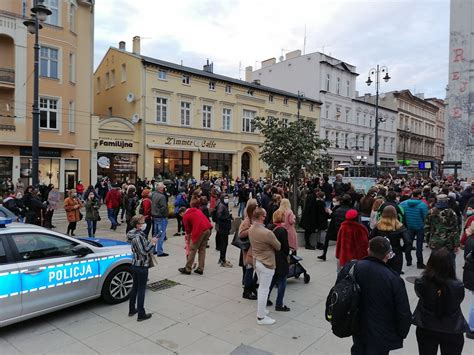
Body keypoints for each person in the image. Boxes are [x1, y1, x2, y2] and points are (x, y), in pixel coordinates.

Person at [338, 236, 412, 355]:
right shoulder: (393, 278)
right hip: (381, 331)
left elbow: (340, 291)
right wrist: (401, 333)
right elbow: (403, 311)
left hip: (357, 325)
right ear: (387, 255)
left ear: (368, 250)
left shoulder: (352, 267)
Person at [413, 247, 468, 354]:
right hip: (452, 328)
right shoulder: (458, 286)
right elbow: (458, 300)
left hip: (426, 326)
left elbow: (420, 295)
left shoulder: (421, 282)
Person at [248, 207, 281, 325]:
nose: (266, 217)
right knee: (263, 290)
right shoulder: (267, 233)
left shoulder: (251, 229)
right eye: (264, 215)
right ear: (261, 217)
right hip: (267, 263)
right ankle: (261, 317)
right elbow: (278, 246)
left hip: (257, 261)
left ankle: (261, 311)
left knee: (262, 288)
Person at [127, 215, 158, 322]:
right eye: (142, 222)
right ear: (138, 225)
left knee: (135, 287)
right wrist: (153, 242)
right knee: (141, 290)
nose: (145, 224)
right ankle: (141, 313)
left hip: (135, 264)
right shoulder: (138, 237)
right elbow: (144, 251)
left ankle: (132, 309)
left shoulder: (133, 234)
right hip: (141, 266)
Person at [370, 205, 411, 274]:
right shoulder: (400, 226)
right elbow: (408, 241)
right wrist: (403, 249)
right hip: (396, 253)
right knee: (395, 275)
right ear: (395, 214)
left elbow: (371, 238)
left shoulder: (378, 226)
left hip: (380, 254)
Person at [178, 199, 213, 275]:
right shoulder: (197, 210)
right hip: (207, 229)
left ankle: (188, 269)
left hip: (199, 231)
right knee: (202, 250)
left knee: (192, 249)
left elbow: (188, 230)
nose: (181, 216)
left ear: (182, 212)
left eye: (181, 215)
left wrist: (188, 239)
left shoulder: (186, 216)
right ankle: (200, 268)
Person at [425, 194, 460, 266]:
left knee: (435, 263)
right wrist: (456, 244)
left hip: (435, 241)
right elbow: (455, 228)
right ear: (446, 201)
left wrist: (428, 241)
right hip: (449, 242)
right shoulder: (451, 212)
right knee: (450, 263)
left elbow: (427, 228)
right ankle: (450, 276)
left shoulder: (430, 211)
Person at [267, 209, 291, 312]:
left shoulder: (269, 227)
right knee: (282, 281)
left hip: (271, 257)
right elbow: (285, 247)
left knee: (272, 280)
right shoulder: (282, 230)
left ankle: (266, 298)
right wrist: (287, 255)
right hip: (280, 259)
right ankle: (279, 304)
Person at [400, 189, 429, 268]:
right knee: (419, 246)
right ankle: (419, 263)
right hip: (420, 227)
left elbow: (400, 213)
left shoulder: (403, 204)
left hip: (409, 227)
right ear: (419, 195)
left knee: (408, 244)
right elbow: (426, 217)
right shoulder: (423, 205)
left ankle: (408, 261)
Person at [319, 194, 352, 261]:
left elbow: (333, 220)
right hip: (345, 231)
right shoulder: (351, 211)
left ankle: (324, 254)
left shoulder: (337, 210)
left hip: (334, 229)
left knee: (327, 240)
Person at [239, 198, 258, 300]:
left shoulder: (253, 219)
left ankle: (251, 286)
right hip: (248, 250)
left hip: (254, 249)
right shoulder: (247, 220)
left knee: (253, 269)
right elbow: (241, 234)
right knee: (249, 269)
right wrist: (251, 229)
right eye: (256, 207)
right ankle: (246, 291)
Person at [151, 182, 169, 257]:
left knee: (155, 234)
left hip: (155, 216)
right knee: (161, 234)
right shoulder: (162, 197)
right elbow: (163, 208)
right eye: (163, 188)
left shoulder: (154, 194)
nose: (164, 189)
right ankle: (160, 251)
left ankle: (153, 249)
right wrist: (165, 215)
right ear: (160, 188)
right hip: (161, 217)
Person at [216, 193, 233, 267]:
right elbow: (219, 216)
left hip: (225, 227)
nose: (227, 199)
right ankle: (222, 260)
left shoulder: (224, 205)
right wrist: (227, 216)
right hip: (223, 227)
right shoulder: (221, 206)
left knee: (224, 243)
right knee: (224, 244)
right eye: (225, 198)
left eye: (227, 197)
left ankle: (222, 258)